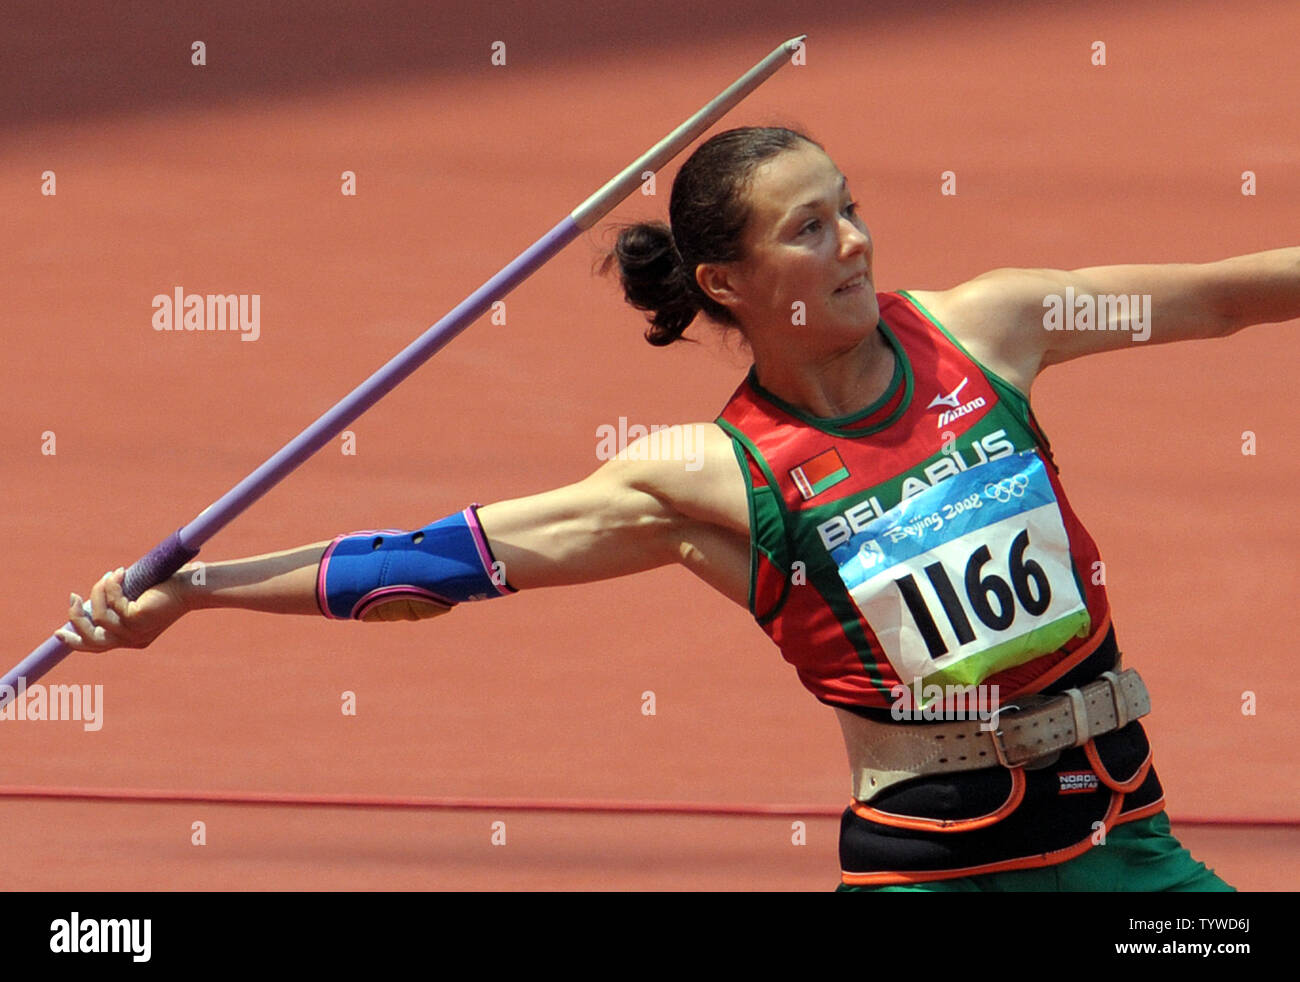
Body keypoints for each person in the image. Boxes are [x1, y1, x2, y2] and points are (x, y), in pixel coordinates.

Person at [57, 126, 1297, 891]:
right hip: (929, 869)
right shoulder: (705, 479)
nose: (855, 242)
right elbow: (439, 563)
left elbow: (1224, 298)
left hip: (1118, 841)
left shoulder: (995, 327)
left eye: (850, 207)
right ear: (726, 282)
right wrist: (196, 593)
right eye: (810, 228)